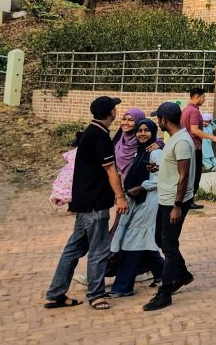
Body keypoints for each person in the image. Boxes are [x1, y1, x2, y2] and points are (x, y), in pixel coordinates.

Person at [44, 96, 129, 311]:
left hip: (84, 202)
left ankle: (56, 294)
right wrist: (120, 197)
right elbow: (110, 169)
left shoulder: (90, 133)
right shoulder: (99, 136)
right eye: (115, 109)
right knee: (99, 250)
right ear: (111, 113)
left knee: (74, 249)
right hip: (95, 204)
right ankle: (96, 295)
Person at [141, 102, 196, 311]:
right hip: (166, 198)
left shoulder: (181, 141)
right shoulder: (173, 139)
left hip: (175, 201)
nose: (157, 121)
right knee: (160, 239)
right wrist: (159, 167)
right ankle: (182, 274)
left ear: (164, 120)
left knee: (169, 247)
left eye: (158, 118)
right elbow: (174, 168)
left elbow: (183, 176)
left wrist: (177, 206)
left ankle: (164, 293)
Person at [110, 117, 165, 298]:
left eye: (146, 130)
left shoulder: (156, 153)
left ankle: (122, 287)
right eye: (139, 131)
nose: (142, 134)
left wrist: (142, 187)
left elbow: (160, 180)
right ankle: (167, 274)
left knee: (132, 242)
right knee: (145, 244)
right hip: (135, 201)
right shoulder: (139, 152)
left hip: (148, 202)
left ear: (153, 132)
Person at [182, 88, 216, 207]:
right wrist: (214, 138)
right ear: (197, 97)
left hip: (187, 145)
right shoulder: (194, 111)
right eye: (203, 97)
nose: (204, 99)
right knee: (195, 175)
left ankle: (186, 199)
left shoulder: (186, 109)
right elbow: (195, 130)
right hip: (195, 146)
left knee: (188, 173)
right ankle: (189, 201)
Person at [113, 108, 147, 180]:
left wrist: (158, 144)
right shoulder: (117, 141)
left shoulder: (145, 142)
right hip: (117, 186)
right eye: (124, 119)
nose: (126, 123)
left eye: (131, 120)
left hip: (136, 187)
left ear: (139, 122)